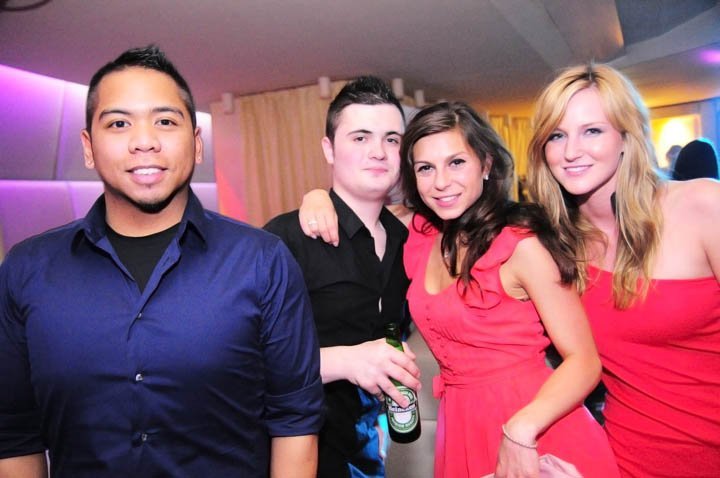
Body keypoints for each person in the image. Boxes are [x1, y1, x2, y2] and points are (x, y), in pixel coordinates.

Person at [0, 45, 323, 478]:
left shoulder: (263, 261)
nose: (144, 141)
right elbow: (14, 433)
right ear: (88, 147)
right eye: (119, 123)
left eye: (165, 121)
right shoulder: (26, 270)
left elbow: (295, 421)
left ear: (197, 144)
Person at [298, 102, 619, 478]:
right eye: (425, 168)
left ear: (485, 164)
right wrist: (316, 198)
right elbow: (358, 203)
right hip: (461, 425)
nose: (441, 182)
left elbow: (584, 362)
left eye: (456, 163)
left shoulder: (520, 245)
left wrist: (521, 430)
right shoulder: (423, 234)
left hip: (533, 426)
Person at [527, 63, 720, 477]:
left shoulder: (704, 206)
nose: (571, 151)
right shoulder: (560, 245)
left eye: (592, 130)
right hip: (622, 462)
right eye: (557, 135)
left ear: (626, 136)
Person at [264, 76, 420, 478]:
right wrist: (344, 360)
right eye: (360, 137)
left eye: (391, 139)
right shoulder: (286, 238)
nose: (378, 152)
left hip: (367, 454)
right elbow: (241, 358)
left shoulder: (409, 243)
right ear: (329, 149)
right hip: (294, 456)